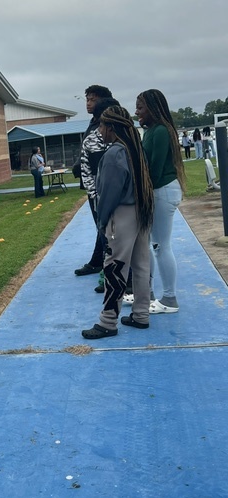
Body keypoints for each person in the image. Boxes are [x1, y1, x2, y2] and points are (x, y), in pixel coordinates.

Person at [81, 106, 154, 340]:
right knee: (141, 266)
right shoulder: (135, 149)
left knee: (114, 267)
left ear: (111, 127)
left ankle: (108, 322)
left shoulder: (114, 153)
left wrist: (102, 221)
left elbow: (108, 193)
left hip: (121, 215)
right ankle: (141, 315)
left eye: (102, 125)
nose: (99, 130)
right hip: (141, 211)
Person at [136, 89, 186, 314]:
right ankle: (149, 293)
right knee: (150, 245)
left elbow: (154, 171)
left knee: (160, 246)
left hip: (162, 191)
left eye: (140, 108)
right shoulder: (150, 131)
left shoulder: (161, 131)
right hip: (157, 191)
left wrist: (142, 195)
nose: (137, 112)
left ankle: (169, 299)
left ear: (153, 109)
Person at [80, 97, 121, 292]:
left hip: (123, 199)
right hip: (100, 198)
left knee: (126, 237)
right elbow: (85, 169)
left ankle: (128, 278)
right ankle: (108, 277)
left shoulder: (125, 139)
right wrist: (94, 193)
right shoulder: (90, 140)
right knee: (106, 236)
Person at [72, 85, 114, 276]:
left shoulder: (107, 124)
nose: (88, 103)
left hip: (103, 185)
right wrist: (79, 165)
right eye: (87, 99)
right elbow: (86, 150)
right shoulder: (93, 122)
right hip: (92, 184)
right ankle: (98, 261)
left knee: (107, 226)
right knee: (100, 224)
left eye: (93, 100)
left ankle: (110, 268)